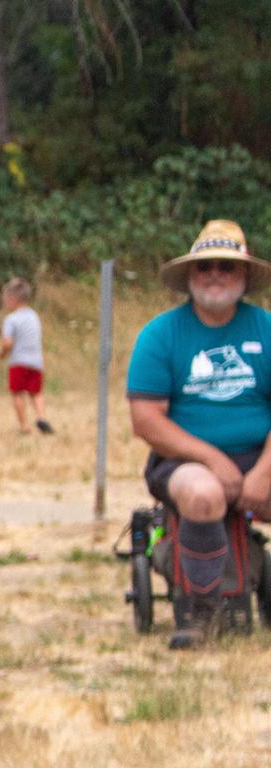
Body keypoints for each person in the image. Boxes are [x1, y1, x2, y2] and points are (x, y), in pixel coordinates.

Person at [125, 219, 271, 649]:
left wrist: (263, 471)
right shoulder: (160, 334)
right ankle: (202, 613)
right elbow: (146, 419)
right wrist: (212, 460)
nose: (215, 275)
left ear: (244, 277)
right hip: (184, 461)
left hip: (261, 455)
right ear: (190, 276)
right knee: (204, 494)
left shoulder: (266, 328)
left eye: (227, 267)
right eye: (205, 267)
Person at [0, 277, 50, 434]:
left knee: (17, 393)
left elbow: (8, 343)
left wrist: (1, 353)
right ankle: (41, 417)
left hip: (19, 361)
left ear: (13, 299)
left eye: (6, 299)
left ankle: (23, 426)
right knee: (36, 392)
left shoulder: (11, 319)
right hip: (36, 361)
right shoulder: (34, 316)